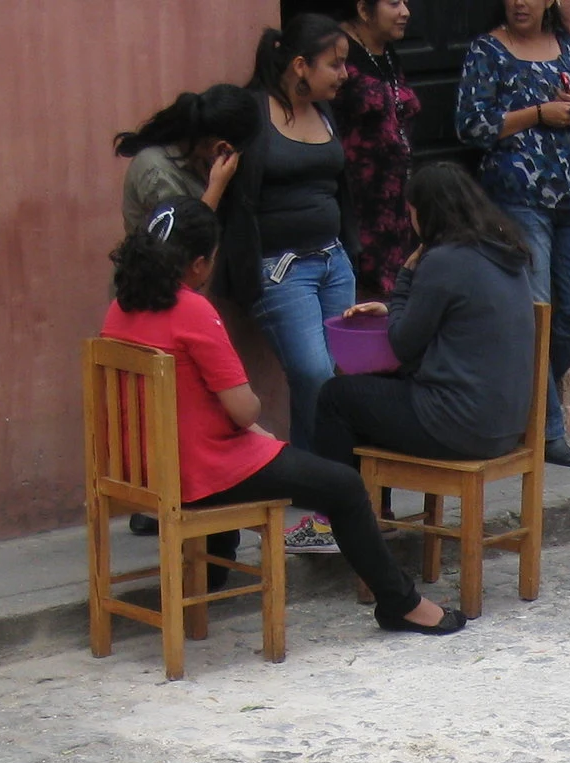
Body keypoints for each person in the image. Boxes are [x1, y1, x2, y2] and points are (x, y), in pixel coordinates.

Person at [102, 199, 464, 636]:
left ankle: (212, 574)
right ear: (198, 264)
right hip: (200, 470)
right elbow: (243, 408)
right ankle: (400, 603)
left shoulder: (121, 306)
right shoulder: (193, 310)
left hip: (143, 467)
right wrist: (252, 416)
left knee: (260, 445)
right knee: (344, 486)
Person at [218, 13, 364, 554]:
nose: (344, 73)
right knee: (314, 373)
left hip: (333, 262)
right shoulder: (252, 114)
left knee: (340, 381)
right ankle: (321, 493)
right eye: (336, 63)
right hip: (281, 270)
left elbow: (340, 185)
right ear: (300, 65)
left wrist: (351, 247)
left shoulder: (324, 113)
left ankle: (326, 505)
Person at [455, 0, 570, 467]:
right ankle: (547, 430)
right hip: (519, 201)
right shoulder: (488, 50)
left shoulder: (567, 47)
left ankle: (523, 388)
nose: (520, 2)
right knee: (537, 313)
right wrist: (537, 113)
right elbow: (471, 125)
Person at [314, 164, 537, 469]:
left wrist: (405, 277)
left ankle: (334, 516)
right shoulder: (503, 253)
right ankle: (375, 510)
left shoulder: (445, 260)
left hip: (458, 425)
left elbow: (403, 345)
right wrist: (395, 311)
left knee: (336, 396)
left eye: (413, 212)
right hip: (504, 427)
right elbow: (460, 318)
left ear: (428, 212)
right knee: (375, 395)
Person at [333, 0, 421, 299]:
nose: (405, 12)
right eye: (394, 3)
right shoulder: (338, 51)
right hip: (356, 200)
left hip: (395, 197)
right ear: (362, 9)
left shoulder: (385, 51)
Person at [116, 85, 260, 235]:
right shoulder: (157, 170)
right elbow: (184, 242)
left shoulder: (199, 154)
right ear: (223, 148)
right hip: (168, 256)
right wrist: (217, 186)